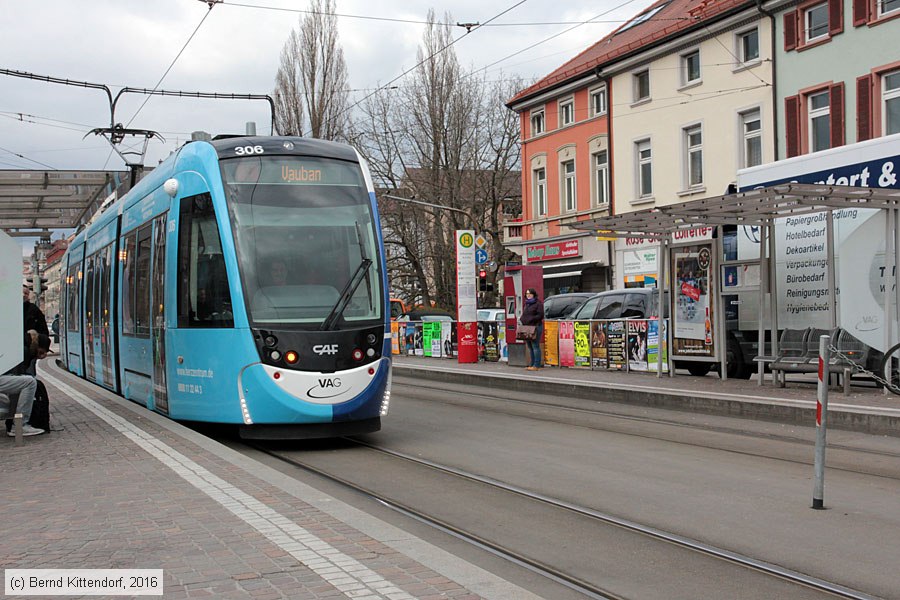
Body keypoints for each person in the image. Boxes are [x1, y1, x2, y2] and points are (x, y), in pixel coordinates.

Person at [520, 288, 544, 371]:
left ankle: (536, 365)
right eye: (527, 294)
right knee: (530, 346)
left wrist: (531, 319)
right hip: (527, 327)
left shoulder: (538, 304)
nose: (528, 295)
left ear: (533, 294)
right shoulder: (527, 304)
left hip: (536, 326)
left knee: (535, 345)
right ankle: (532, 363)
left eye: (530, 294)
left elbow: (540, 315)